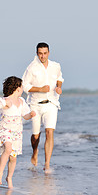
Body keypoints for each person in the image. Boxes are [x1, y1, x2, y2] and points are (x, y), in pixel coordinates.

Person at [0, 76, 36, 188]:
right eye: (21, 87)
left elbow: (25, 116)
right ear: (17, 88)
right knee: (8, 148)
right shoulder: (5, 101)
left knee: (13, 157)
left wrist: (30, 115)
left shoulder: (22, 101)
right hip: (5, 130)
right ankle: (0, 174)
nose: (22, 89)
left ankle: (9, 177)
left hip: (16, 133)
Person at [22, 42, 64, 173]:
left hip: (51, 103)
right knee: (36, 135)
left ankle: (47, 164)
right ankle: (35, 151)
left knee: (49, 132)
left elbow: (60, 78)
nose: (43, 56)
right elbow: (25, 86)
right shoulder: (32, 68)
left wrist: (58, 87)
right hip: (35, 104)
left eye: (45, 53)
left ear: (49, 53)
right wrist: (40, 89)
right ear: (37, 54)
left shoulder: (55, 66)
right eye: (40, 53)